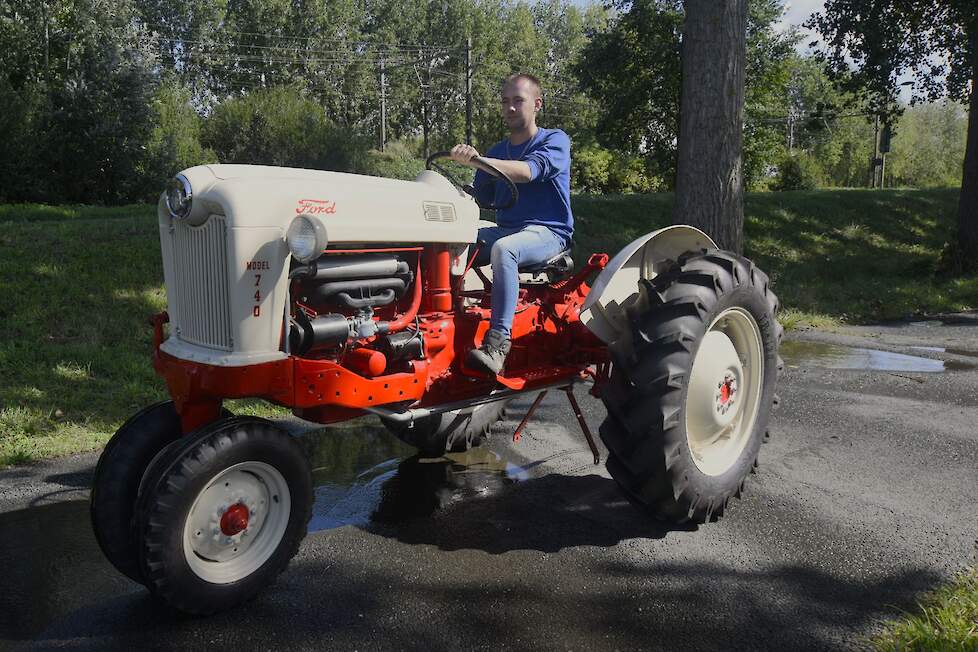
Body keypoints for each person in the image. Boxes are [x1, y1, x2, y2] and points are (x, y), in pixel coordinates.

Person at [449, 73, 573, 376]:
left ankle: (497, 344)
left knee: (506, 250)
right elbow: (480, 197)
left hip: (547, 232)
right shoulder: (496, 151)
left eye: (518, 100)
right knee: (448, 240)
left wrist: (479, 161)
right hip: (506, 228)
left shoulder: (554, 140)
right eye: (506, 101)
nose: (511, 107)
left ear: (537, 104)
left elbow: (529, 172)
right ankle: (439, 319)